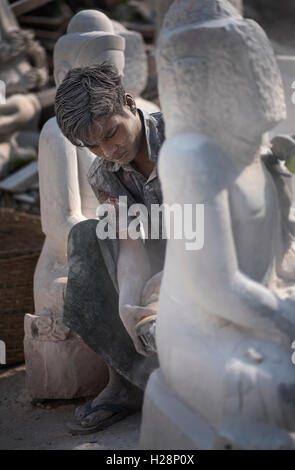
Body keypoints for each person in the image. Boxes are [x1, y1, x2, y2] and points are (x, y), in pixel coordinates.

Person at [55, 63, 166, 434]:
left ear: (130, 104)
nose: (108, 149)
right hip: (155, 257)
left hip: (214, 247)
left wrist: (166, 285)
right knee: (88, 237)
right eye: (93, 145)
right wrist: (127, 307)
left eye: (111, 133)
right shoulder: (104, 172)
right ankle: (125, 380)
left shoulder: (181, 138)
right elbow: (129, 243)